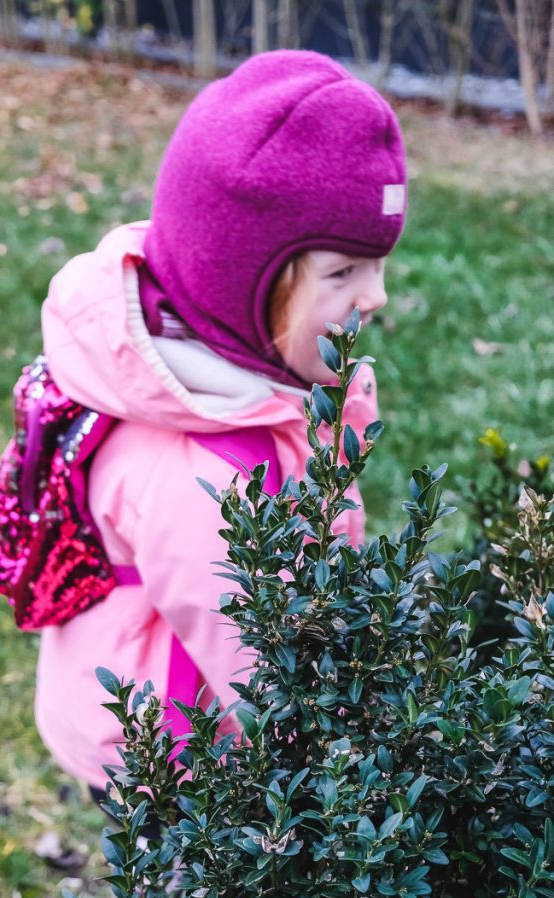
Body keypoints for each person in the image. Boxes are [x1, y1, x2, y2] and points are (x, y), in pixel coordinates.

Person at [34, 49, 407, 797]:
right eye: (342, 274)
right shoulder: (202, 478)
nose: (377, 298)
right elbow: (269, 683)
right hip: (173, 763)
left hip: (189, 718)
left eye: (376, 265)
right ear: (240, 288)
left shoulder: (247, 385)